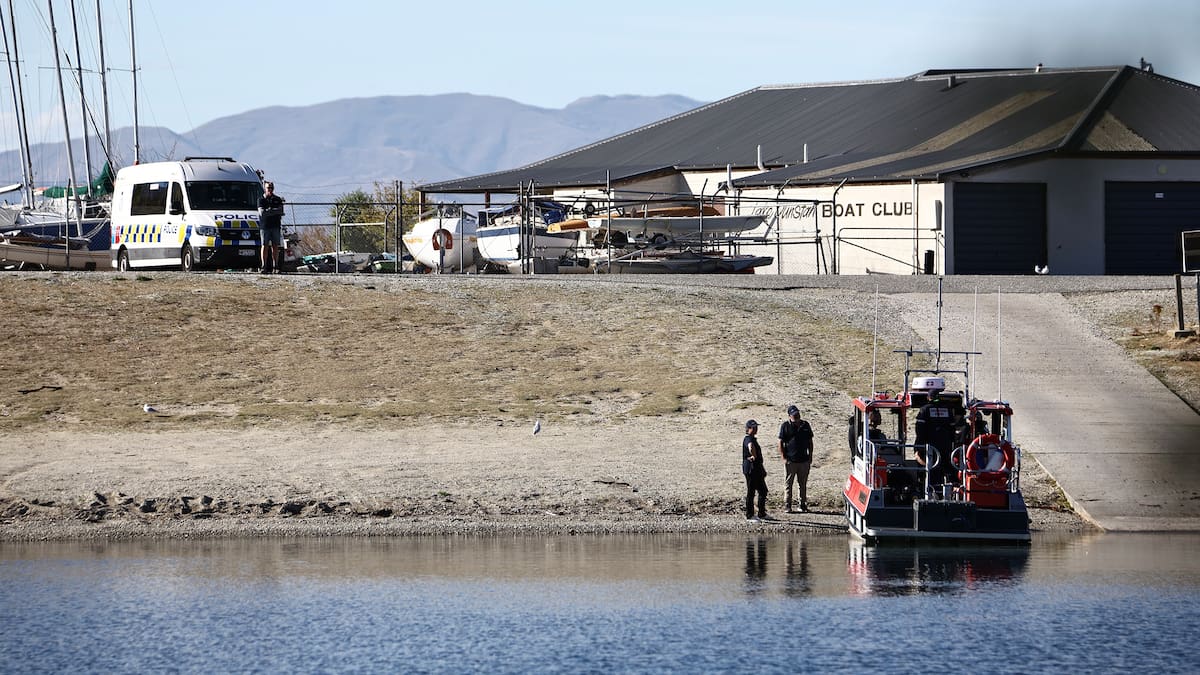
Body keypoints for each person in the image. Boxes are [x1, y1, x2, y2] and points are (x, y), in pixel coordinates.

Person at [914, 388, 964, 489]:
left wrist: (917, 448)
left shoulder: (924, 409)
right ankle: (953, 487)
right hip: (946, 446)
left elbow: (920, 431)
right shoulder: (948, 410)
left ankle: (929, 489)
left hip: (931, 447)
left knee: (931, 470)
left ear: (928, 397)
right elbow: (952, 428)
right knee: (948, 467)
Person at [778, 404, 814, 513]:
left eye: (797, 414)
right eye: (794, 415)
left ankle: (802, 504)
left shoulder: (805, 425)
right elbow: (780, 442)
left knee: (802, 483)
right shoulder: (785, 426)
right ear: (789, 416)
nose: (797, 416)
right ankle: (787, 505)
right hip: (790, 460)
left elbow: (810, 441)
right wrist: (783, 457)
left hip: (803, 460)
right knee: (788, 483)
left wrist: (810, 456)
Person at [741, 420, 768, 522]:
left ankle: (761, 513)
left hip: (757, 469)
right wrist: (753, 455)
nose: (756, 429)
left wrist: (762, 469)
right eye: (753, 427)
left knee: (763, 490)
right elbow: (750, 446)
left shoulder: (753, 438)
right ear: (748, 429)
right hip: (750, 469)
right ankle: (749, 515)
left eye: (756, 427)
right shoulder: (748, 439)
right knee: (751, 492)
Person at [258, 181, 286, 273]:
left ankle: (276, 266)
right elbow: (262, 213)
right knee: (264, 246)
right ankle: (264, 266)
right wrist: (274, 211)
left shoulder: (278, 199)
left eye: (271, 188)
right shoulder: (261, 200)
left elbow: (281, 211)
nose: (270, 189)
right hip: (265, 226)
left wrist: (269, 211)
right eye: (268, 188)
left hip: (275, 226)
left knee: (275, 246)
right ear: (265, 188)